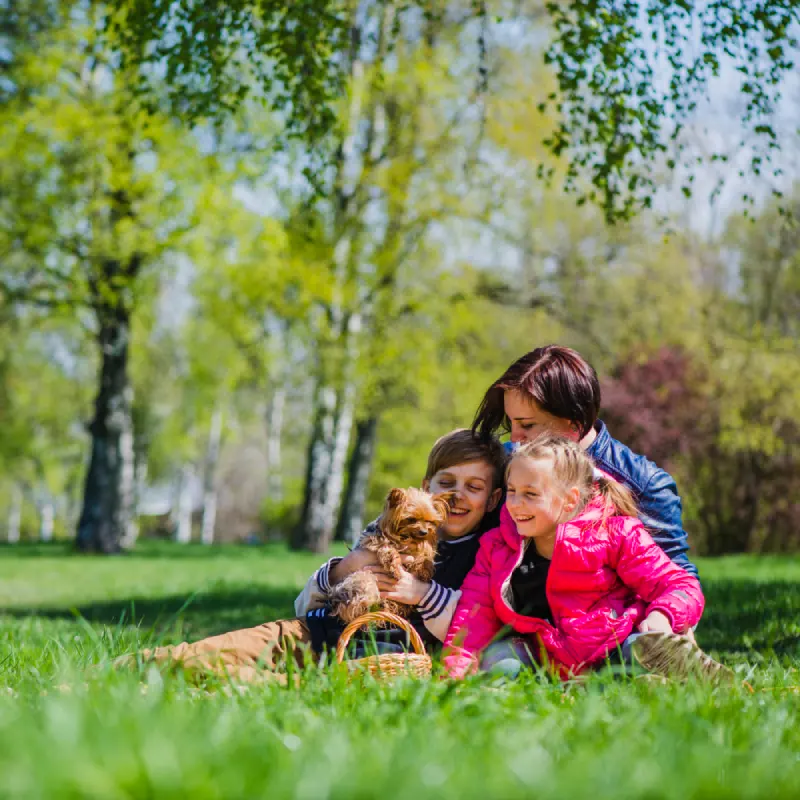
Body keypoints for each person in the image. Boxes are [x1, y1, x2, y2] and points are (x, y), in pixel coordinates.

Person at [121, 429, 506, 681]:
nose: (456, 496)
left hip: (377, 664)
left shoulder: (489, 551)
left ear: (492, 499)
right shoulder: (389, 525)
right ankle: (90, 679)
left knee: (233, 681)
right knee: (196, 656)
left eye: (473, 487)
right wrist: (345, 568)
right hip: (313, 631)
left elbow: (474, 630)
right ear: (426, 486)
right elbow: (304, 601)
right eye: (446, 483)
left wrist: (420, 593)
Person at [443, 434, 732, 683]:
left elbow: (679, 584)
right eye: (513, 492)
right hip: (547, 660)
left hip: (613, 647)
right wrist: (452, 676)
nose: (516, 504)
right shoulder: (497, 547)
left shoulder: (615, 534)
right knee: (500, 659)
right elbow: (473, 620)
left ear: (569, 500)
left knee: (640, 649)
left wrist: (662, 614)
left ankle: (679, 678)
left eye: (531, 494)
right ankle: (623, 685)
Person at [472, 344, 698, 587]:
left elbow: (677, 584)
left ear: (574, 423)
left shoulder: (644, 483)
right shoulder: (503, 463)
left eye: (527, 425)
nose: (514, 438)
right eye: (511, 423)